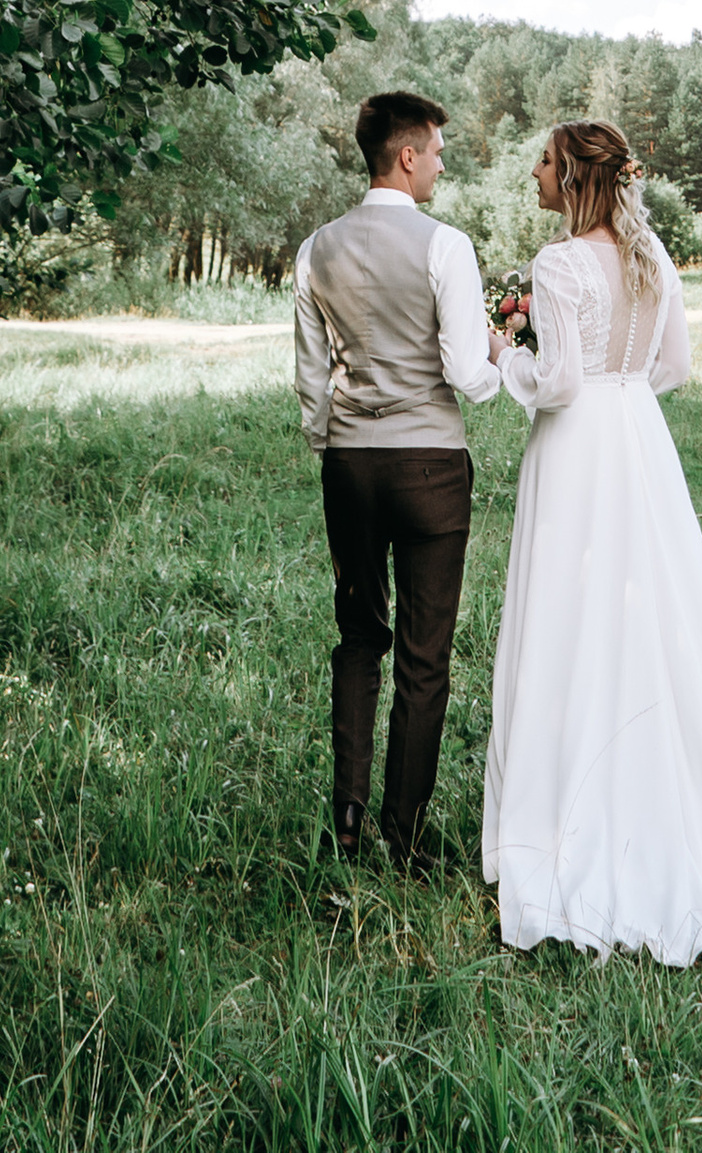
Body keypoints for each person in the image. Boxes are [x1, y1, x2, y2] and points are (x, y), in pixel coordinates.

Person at [484, 119, 702, 963]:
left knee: (570, 614)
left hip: (576, 450)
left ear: (576, 179)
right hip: (638, 437)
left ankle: (566, 821)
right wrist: (622, 389)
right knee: (658, 619)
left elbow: (555, 384)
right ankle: (668, 809)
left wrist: (506, 358)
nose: (536, 170)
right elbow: (675, 366)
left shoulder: (558, 263)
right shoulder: (649, 253)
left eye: (546, 161)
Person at [292, 87, 503, 867]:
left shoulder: (317, 247)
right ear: (406, 155)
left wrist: (334, 444)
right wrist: (493, 358)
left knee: (357, 636)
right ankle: (404, 835)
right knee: (424, 653)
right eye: (437, 151)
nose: (442, 164)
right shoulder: (445, 245)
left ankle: (346, 813)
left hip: (349, 466)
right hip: (430, 470)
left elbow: (313, 379)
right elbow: (463, 370)